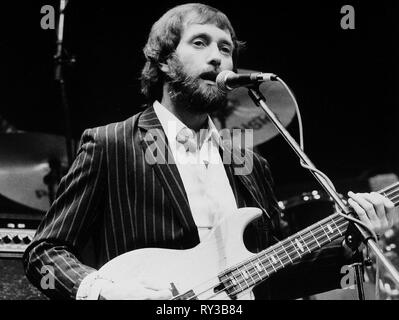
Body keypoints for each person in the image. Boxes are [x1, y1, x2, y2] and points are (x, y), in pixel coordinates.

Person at [23, 3, 397, 300]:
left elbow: (277, 275)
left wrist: (355, 240)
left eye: (226, 48)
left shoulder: (248, 161)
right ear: (165, 60)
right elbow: (44, 252)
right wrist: (108, 292)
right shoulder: (111, 144)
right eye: (200, 42)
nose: (218, 57)